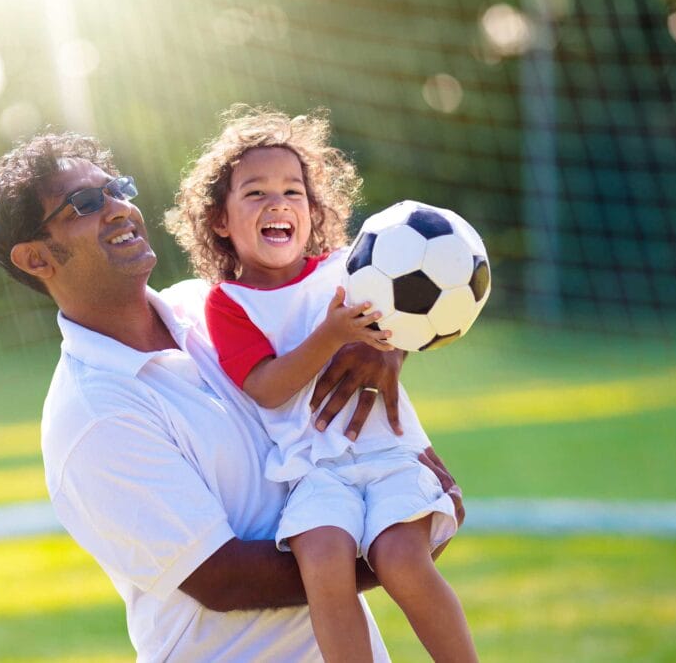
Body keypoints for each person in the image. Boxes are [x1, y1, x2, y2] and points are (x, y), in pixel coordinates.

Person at [0, 131, 465, 661]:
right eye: (85, 204)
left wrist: (383, 353)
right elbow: (224, 579)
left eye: (116, 188)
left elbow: (345, 311)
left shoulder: (211, 307)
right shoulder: (93, 415)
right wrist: (401, 543)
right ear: (35, 258)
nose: (118, 208)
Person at [165, 105, 477, 662]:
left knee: (402, 561)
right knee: (323, 563)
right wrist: (330, 337)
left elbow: (405, 324)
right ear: (219, 221)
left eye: (293, 191)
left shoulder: (352, 268)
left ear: (313, 210)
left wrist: (393, 349)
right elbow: (265, 386)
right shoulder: (229, 304)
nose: (278, 203)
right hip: (311, 469)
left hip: (389, 454)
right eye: (255, 193)